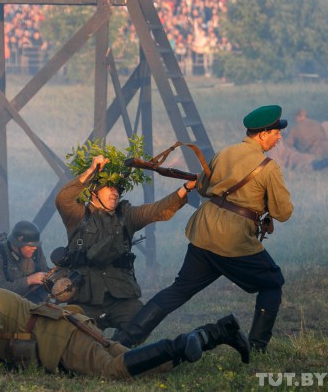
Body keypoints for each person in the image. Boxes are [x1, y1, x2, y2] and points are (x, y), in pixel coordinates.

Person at [117, 105, 294, 353]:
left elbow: (202, 189)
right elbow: (283, 213)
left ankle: (125, 340)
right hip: (234, 242)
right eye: (276, 132)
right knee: (272, 283)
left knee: (178, 291)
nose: (279, 137)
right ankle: (257, 348)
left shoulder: (224, 153)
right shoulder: (269, 167)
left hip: (204, 233)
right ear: (263, 134)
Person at [0, 280, 250, 379]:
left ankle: (182, 344)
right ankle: (216, 333)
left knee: (111, 372)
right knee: (151, 369)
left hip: (63, 340)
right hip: (71, 329)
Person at [54, 151, 196, 342]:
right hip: (85, 300)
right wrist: (91, 171)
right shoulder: (78, 215)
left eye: (117, 189)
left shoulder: (126, 216)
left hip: (121, 298)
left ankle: (120, 349)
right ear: (93, 190)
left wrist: (186, 188)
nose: (115, 192)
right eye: (108, 187)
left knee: (139, 326)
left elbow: (157, 210)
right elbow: (63, 199)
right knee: (78, 339)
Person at [0, 221, 49, 303]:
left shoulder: (34, 249)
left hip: (34, 299)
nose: (34, 248)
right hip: (5, 303)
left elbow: (44, 273)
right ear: (18, 244)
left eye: (36, 245)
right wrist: (28, 280)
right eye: (30, 245)